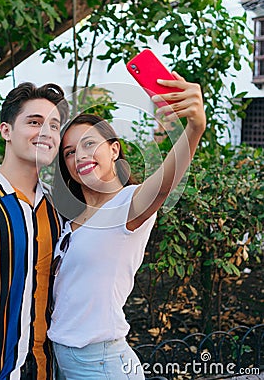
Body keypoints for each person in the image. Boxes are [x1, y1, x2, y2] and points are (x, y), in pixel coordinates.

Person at [47, 72, 207, 379]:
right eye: (69, 152)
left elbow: (163, 187)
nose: (80, 154)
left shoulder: (128, 205)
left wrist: (195, 127)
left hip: (101, 363)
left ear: (114, 149)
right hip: (63, 358)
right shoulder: (72, 218)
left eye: (90, 143)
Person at [0, 82, 69, 380]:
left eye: (54, 126)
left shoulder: (55, 207)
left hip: (44, 370)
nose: (46, 133)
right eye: (34, 122)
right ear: (6, 131)